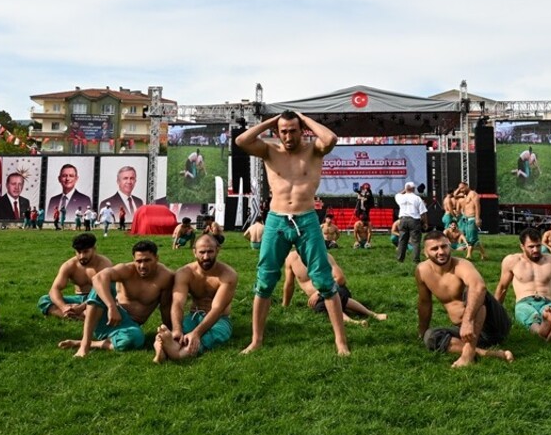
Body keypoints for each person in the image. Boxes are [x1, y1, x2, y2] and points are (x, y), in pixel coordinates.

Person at [235, 110, 351, 356]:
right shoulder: (269, 151)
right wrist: (271, 122)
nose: (288, 136)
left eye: (293, 130)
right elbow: (241, 141)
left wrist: (304, 118)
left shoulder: (314, 150)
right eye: (283, 131)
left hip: (307, 219)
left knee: (324, 281)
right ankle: (256, 340)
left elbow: (330, 139)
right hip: (276, 220)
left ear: (302, 131)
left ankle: (340, 342)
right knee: (264, 281)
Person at [415, 231, 513, 367]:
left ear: (450, 246)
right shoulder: (422, 271)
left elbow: (479, 287)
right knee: (431, 336)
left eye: (444, 246)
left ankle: (468, 354)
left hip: (494, 326)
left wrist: (468, 321)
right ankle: (484, 353)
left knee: (474, 291)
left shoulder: (461, 265)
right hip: (467, 332)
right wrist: (422, 331)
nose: (441, 252)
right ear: (425, 252)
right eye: (434, 248)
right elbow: (425, 303)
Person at [61, 240, 173, 356]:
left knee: (136, 339)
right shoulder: (127, 270)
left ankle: (87, 342)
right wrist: (112, 307)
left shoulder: (165, 277)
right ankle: (84, 345)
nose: (142, 266)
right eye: (138, 261)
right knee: (103, 284)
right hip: (108, 316)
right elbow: (98, 278)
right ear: (133, 259)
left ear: (157, 258)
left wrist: (169, 334)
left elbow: (165, 308)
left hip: (129, 326)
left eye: (147, 260)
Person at [153, 234, 237, 362]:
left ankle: (174, 353)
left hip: (219, 319)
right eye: (202, 252)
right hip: (193, 316)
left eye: (210, 252)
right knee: (178, 335)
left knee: (207, 337)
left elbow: (217, 309)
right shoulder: (185, 272)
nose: (206, 257)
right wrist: (177, 329)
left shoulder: (228, 275)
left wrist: (197, 333)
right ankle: (166, 347)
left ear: (218, 250)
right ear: (194, 252)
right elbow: (177, 303)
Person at [494, 227, 551, 342]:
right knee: (530, 316)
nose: (535, 250)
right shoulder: (512, 261)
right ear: (522, 246)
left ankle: (548, 326)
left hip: (547, 301)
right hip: (524, 302)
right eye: (531, 247)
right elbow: (502, 288)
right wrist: (493, 314)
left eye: (538, 246)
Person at [283, 251, 386, 324]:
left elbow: (340, 279)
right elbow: (289, 284)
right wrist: (285, 305)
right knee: (320, 307)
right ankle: (354, 321)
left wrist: (319, 293)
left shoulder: (324, 255)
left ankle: (372, 314)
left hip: (334, 289)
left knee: (334, 295)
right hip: (318, 301)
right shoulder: (291, 259)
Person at [38, 232, 113, 320]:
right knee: (44, 300)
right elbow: (54, 289)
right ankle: (75, 315)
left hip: (98, 299)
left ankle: (79, 315)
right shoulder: (70, 265)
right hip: (78, 299)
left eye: (85, 252)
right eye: (78, 252)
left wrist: (81, 307)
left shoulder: (104, 264)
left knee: (108, 304)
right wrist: (64, 307)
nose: (82, 256)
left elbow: (107, 291)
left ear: (94, 249)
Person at [395, 181, 425, 264]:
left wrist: (404, 190)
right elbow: (423, 212)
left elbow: (398, 194)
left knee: (402, 241)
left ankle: (400, 259)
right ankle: (416, 260)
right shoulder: (417, 198)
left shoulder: (400, 197)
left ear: (405, 188)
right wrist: (425, 223)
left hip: (403, 220)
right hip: (414, 220)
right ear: (414, 189)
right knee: (415, 241)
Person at [456, 186, 485, 260]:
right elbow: (455, 195)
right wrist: (459, 189)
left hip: (472, 218)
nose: (460, 190)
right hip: (467, 219)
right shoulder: (466, 196)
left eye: (462, 188)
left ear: (466, 186)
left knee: (471, 239)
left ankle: (468, 255)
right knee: (473, 239)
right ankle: (483, 255)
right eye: (459, 189)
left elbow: (477, 205)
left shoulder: (473, 194)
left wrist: (477, 218)